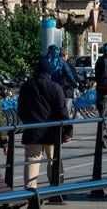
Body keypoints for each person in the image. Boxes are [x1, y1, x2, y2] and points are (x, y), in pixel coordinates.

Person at [16, 61, 68, 191]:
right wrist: (68, 131)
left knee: (32, 160)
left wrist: (28, 121)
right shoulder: (55, 87)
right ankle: (55, 189)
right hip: (52, 131)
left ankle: (30, 192)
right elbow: (62, 111)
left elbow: (20, 109)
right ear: (49, 73)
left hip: (32, 130)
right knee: (54, 159)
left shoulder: (26, 86)